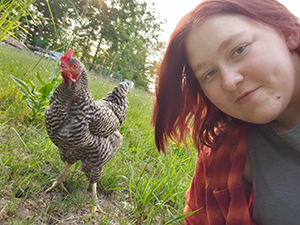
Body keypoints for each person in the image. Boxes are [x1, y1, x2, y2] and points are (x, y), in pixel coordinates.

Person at [152, 0, 300, 224]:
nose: (230, 82)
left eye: (239, 50)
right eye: (210, 74)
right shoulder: (222, 156)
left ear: (288, 33)